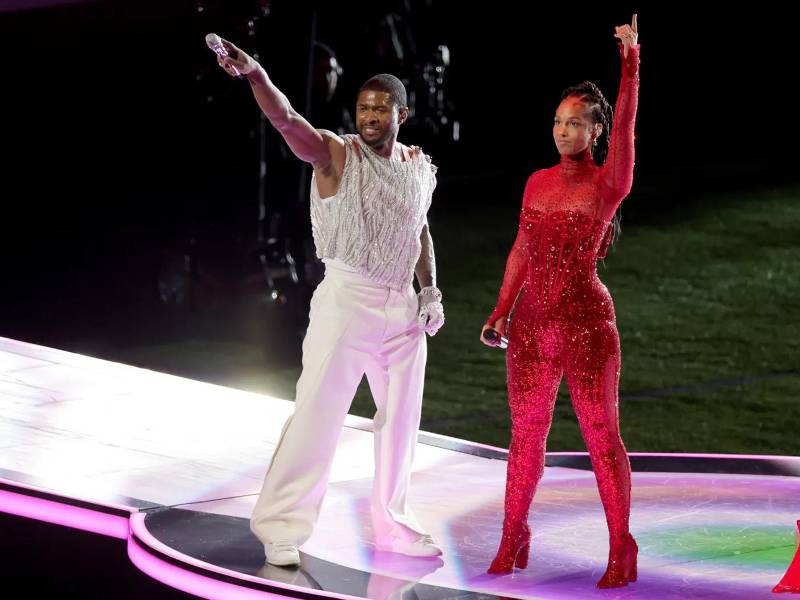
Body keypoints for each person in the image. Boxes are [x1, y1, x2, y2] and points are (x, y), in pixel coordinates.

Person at [212, 37, 445, 566]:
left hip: (404, 310)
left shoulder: (416, 165)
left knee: (401, 421)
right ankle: (280, 526)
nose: (368, 116)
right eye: (363, 108)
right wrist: (255, 75)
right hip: (347, 299)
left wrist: (429, 291)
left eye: (379, 108)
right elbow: (289, 121)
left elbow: (420, 229)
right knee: (318, 414)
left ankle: (395, 526)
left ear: (401, 113)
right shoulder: (337, 155)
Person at [480, 15, 640, 588]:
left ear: (594, 131)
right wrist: (501, 308)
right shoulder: (536, 182)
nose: (563, 130)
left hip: (588, 325)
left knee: (601, 436)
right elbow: (522, 246)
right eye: (557, 121)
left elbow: (625, 132)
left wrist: (631, 64)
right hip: (530, 328)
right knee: (524, 438)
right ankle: (511, 536)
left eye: (575, 123)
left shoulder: (607, 185)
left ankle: (621, 545)